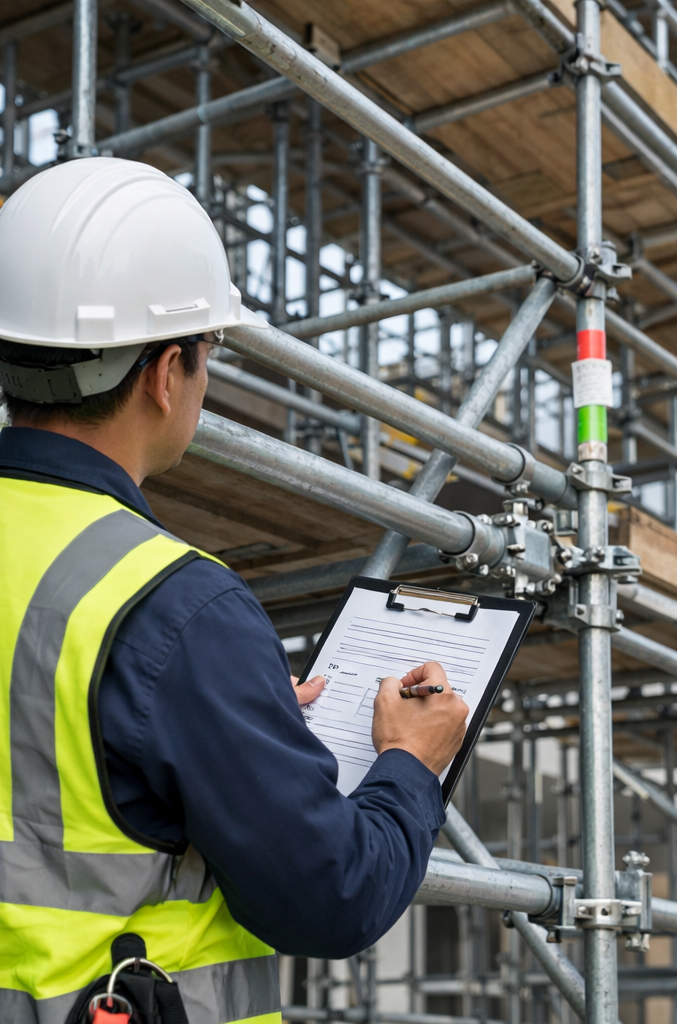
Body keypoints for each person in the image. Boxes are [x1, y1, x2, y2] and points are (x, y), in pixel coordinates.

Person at [0, 157, 469, 1024]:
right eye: (209, 351)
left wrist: (218, 725)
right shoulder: (174, 607)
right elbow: (332, 894)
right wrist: (412, 764)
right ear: (165, 371)